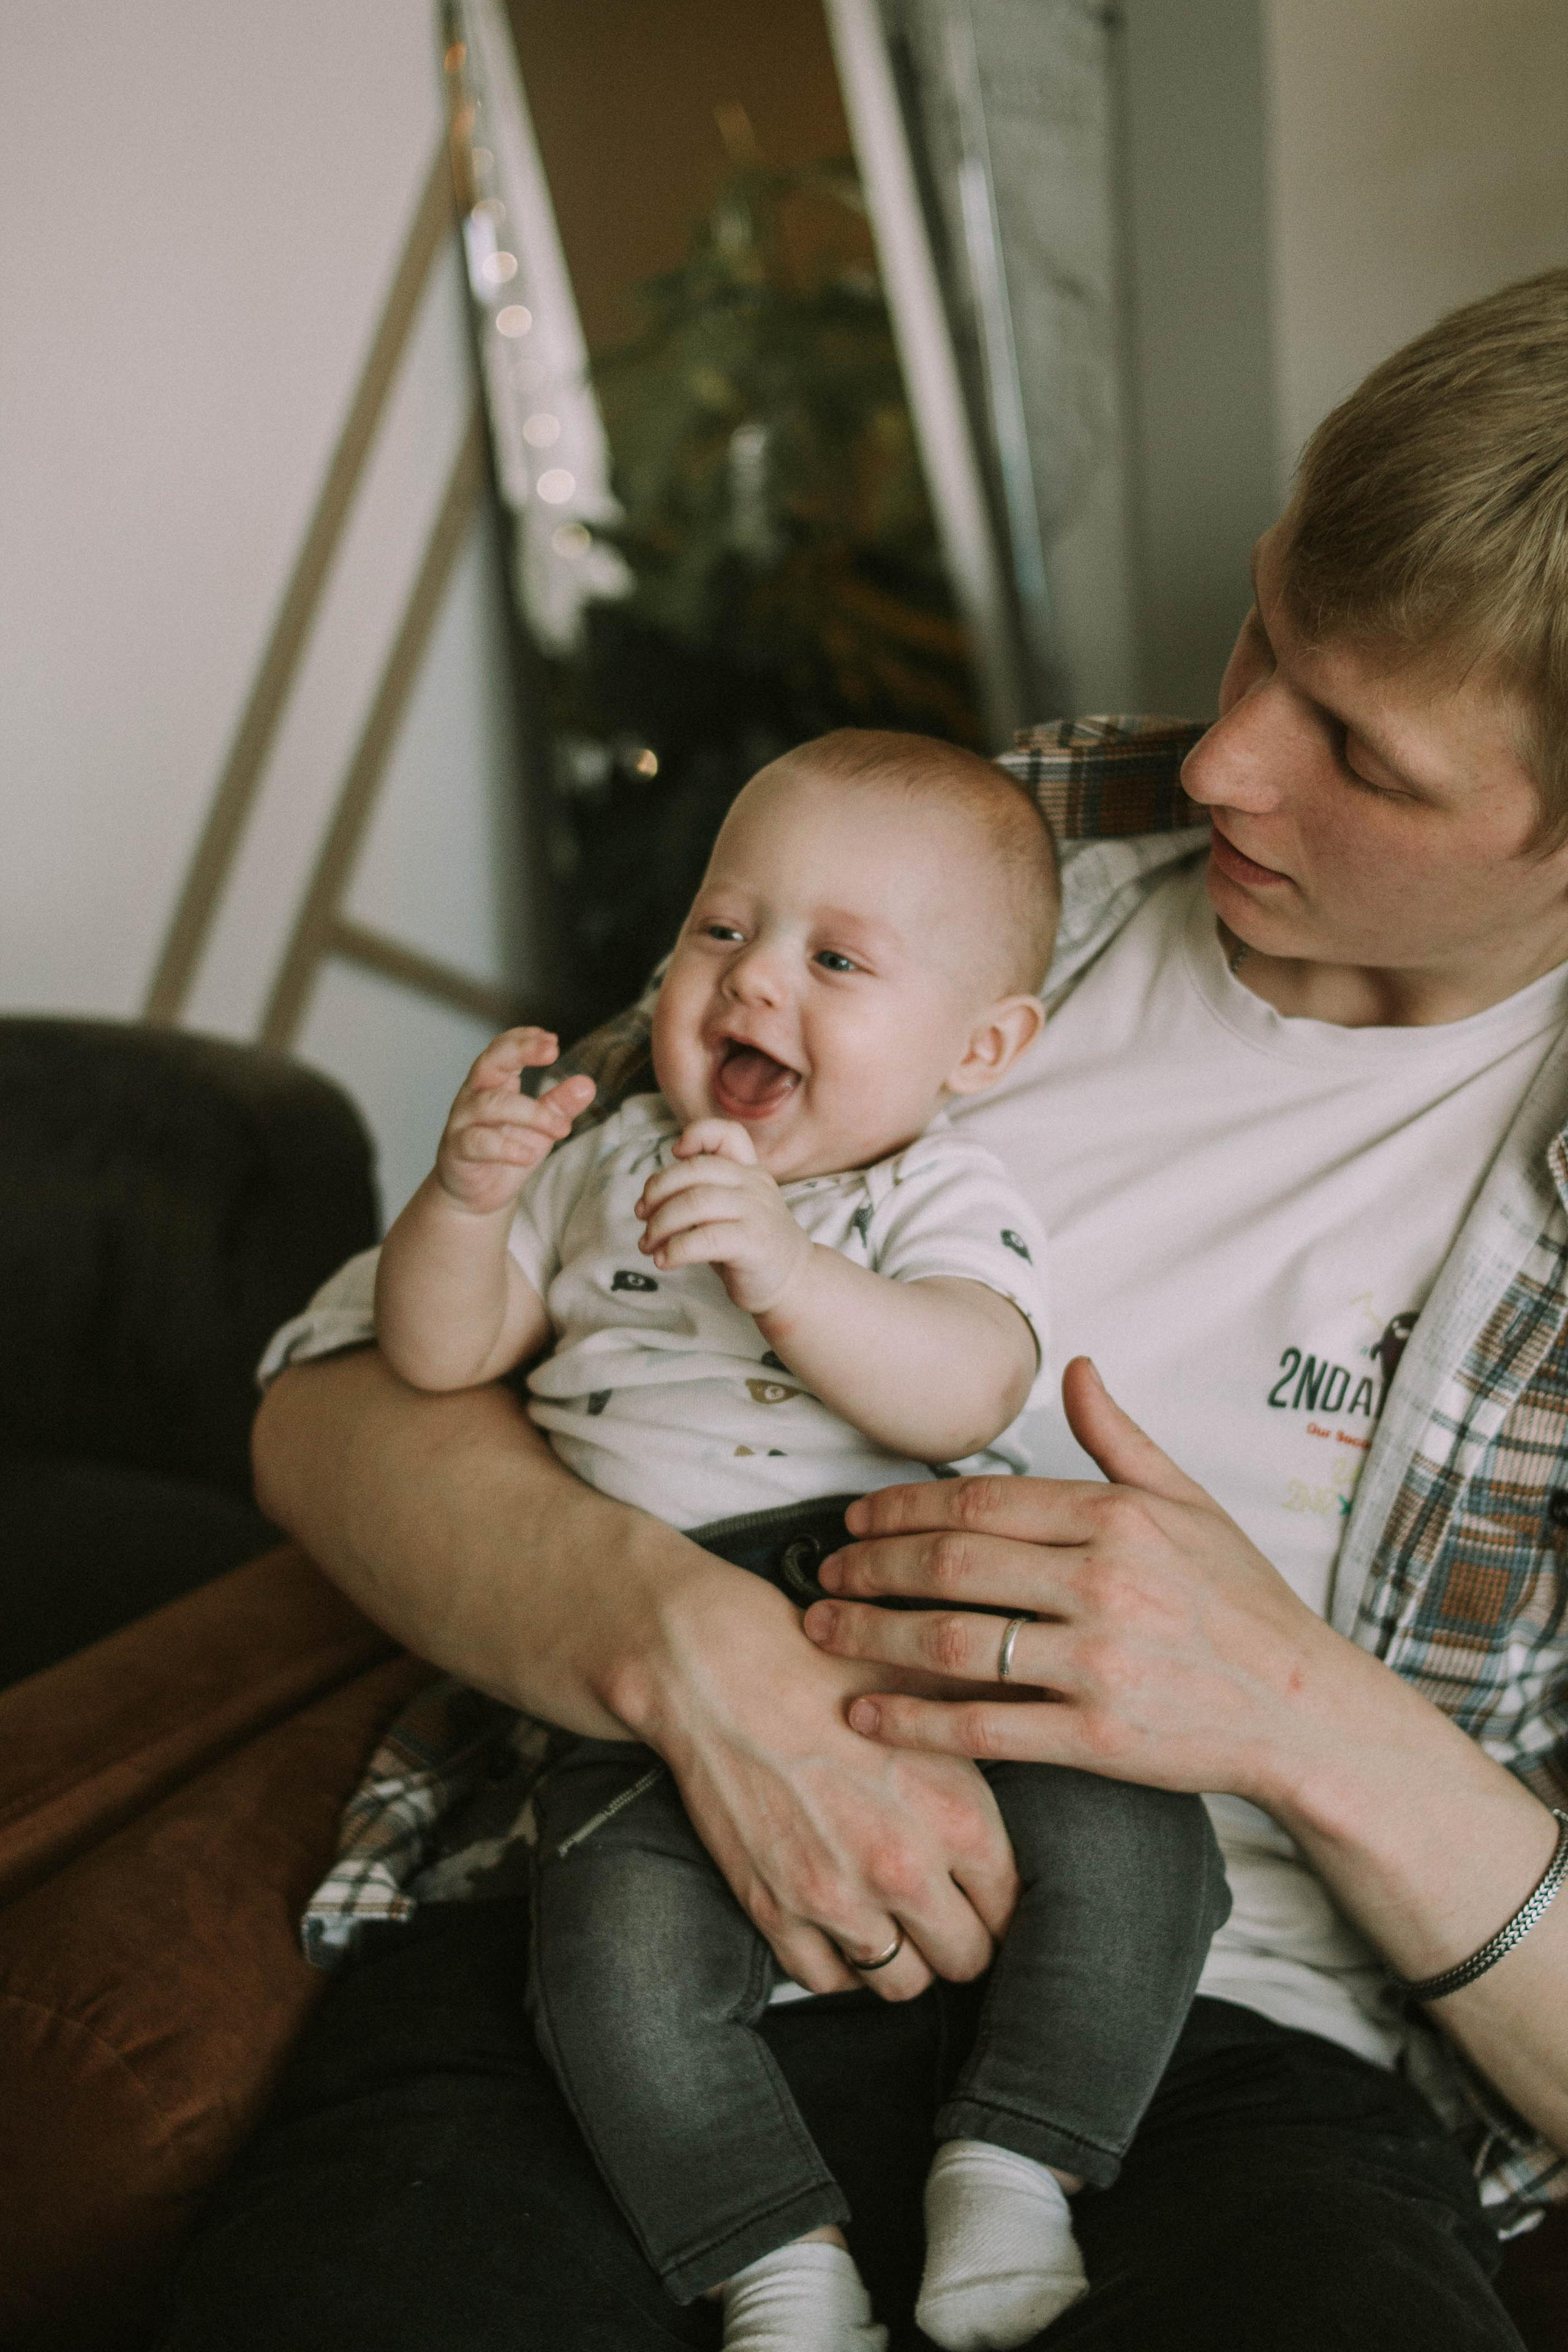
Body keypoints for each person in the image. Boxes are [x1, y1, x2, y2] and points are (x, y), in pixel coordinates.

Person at [158, 269, 1568, 2352]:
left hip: (1221, 2040)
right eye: (1266, 627)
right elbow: (332, 1404)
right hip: (632, 1898)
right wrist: (679, 1651)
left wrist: (1295, 1712)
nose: (1227, 757)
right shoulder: (977, 860)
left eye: (1359, 748)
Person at [369, 733, 1229, 2352]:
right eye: (722, 928)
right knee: (606, 1964)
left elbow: (963, 1381)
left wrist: (785, 1269)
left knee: (1147, 1845)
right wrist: (466, 1205)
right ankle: (774, 2261)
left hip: (906, 1596)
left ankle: (1012, 2168)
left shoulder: (935, 1193)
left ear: (980, 1045)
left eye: (837, 961)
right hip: (648, 1652)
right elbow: (435, 1353)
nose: (755, 978)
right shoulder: (603, 1165)